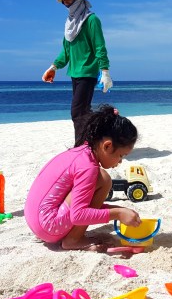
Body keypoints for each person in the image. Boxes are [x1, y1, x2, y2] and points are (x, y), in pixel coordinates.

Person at [24, 104, 141, 252]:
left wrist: (120, 211)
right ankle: (73, 240)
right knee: (104, 180)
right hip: (49, 227)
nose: (120, 162)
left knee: (101, 178)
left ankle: (72, 236)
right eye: (121, 155)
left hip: (35, 222)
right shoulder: (88, 168)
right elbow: (78, 215)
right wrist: (118, 213)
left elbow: (85, 205)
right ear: (107, 146)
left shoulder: (81, 152)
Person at [42, 0, 113, 144]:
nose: (67, 3)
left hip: (88, 72)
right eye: (64, 0)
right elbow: (66, 51)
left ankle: (80, 146)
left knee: (77, 112)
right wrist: (54, 67)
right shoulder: (69, 24)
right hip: (74, 73)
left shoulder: (91, 20)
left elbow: (100, 46)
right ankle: (97, 137)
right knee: (84, 111)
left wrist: (105, 71)